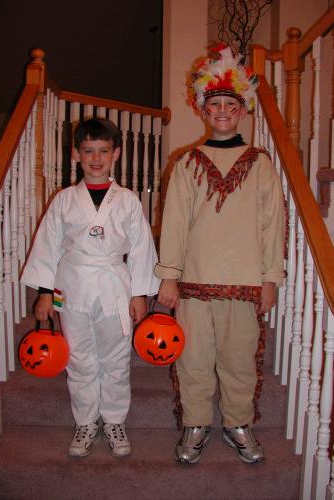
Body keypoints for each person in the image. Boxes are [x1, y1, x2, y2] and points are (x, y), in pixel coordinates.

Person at [155, 45, 285, 465]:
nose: (223, 110)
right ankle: (196, 423)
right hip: (194, 282)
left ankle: (236, 423)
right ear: (203, 110)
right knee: (194, 358)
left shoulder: (261, 164)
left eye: (231, 103)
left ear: (242, 110)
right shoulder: (188, 162)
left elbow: (272, 224)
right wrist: (169, 275)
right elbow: (174, 221)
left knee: (238, 360)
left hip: (246, 284)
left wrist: (270, 278)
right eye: (216, 104)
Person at [21, 118, 160, 458]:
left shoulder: (127, 201)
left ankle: (113, 419)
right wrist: (44, 292)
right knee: (80, 357)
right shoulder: (64, 200)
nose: (95, 159)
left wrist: (139, 292)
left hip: (115, 283)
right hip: (73, 284)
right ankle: (85, 421)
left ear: (116, 153)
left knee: (115, 357)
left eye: (102, 151)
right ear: (75, 154)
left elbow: (141, 248)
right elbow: (49, 247)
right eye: (88, 151)